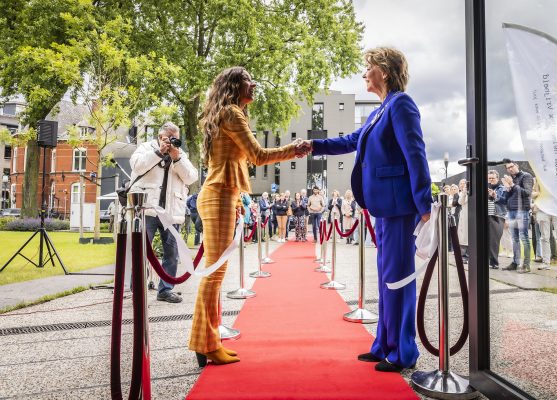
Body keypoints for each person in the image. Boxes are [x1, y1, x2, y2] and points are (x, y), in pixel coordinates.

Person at [297, 47, 432, 373]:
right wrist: (313, 145)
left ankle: (403, 352)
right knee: (387, 279)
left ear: (383, 71)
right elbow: (350, 140)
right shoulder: (378, 111)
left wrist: (424, 203)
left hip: (400, 207)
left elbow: (416, 153)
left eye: (368, 67)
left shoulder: (401, 104)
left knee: (399, 279)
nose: (363, 74)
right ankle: (383, 345)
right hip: (383, 207)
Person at [189, 66, 307, 367]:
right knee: (214, 272)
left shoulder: (227, 113)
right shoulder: (231, 113)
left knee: (215, 272)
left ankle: (210, 340)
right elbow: (258, 156)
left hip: (223, 194)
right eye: (247, 80)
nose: (253, 84)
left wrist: (237, 199)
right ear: (234, 85)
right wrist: (293, 149)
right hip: (218, 194)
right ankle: (205, 343)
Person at [129, 122, 199, 303]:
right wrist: (158, 152)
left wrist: (177, 158)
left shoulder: (180, 155)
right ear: (160, 136)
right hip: (148, 209)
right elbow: (137, 166)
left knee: (172, 253)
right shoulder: (146, 148)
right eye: (168, 138)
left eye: (175, 138)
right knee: (142, 250)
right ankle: (137, 287)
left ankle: (166, 290)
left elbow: (191, 177)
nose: (171, 142)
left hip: (171, 211)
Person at [497, 160, 534, 273]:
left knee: (524, 238)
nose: (510, 169)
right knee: (515, 239)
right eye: (508, 168)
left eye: (512, 166)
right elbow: (508, 198)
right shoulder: (510, 179)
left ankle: (526, 265)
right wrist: (506, 189)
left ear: (516, 166)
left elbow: (527, 192)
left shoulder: (526, 176)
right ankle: (515, 262)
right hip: (512, 211)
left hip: (522, 210)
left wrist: (513, 185)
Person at [487, 170, 507, 269]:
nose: (491, 180)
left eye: (493, 178)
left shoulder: (502, 188)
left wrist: (495, 196)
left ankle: (494, 263)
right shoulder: (484, 188)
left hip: (497, 216)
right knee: (484, 240)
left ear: (497, 179)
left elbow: (505, 201)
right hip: (485, 216)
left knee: (494, 240)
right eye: (489, 178)